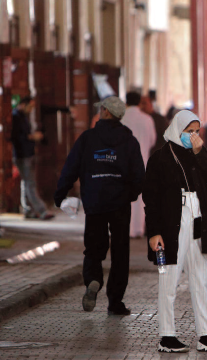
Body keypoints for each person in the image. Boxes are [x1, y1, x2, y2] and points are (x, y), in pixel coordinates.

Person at [144, 110, 207, 353]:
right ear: (178, 130)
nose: (194, 136)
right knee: (169, 279)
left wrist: (200, 152)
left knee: (200, 279)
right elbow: (150, 199)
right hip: (171, 224)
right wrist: (154, 232)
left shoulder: (197, 154)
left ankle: (206, 334)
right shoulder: (160, 158)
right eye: (189, 131)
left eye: (197, 131)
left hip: (199, 219)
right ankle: (167, 335)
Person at [54, 96, 145, 316]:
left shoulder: (88, 139)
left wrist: (60, 196)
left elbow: (70, 168)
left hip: (95, 201)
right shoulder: (129, 140)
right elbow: (139, 175)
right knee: (120, 251)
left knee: (94, 246)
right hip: (120, 203)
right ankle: (115, 301)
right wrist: (129, 195)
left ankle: (93, 279)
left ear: (104, 111)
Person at [10, 96, 54, 220]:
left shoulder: (23, 117)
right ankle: (41, 210)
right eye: (30, 107)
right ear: (23, 104)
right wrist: (33, 137)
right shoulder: (16, 117)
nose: (31, 110)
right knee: (30, 183)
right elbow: (18, 137)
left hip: (27, 153)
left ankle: (28, 210)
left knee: (26, 182)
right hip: (21, 154)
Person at [121, 92, 156, 237]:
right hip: (142, 161)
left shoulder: (120, 118)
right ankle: (137, 229)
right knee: (139, 197)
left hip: (122, 162)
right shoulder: (147, 119)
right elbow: (152, 140)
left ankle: (124, 228)